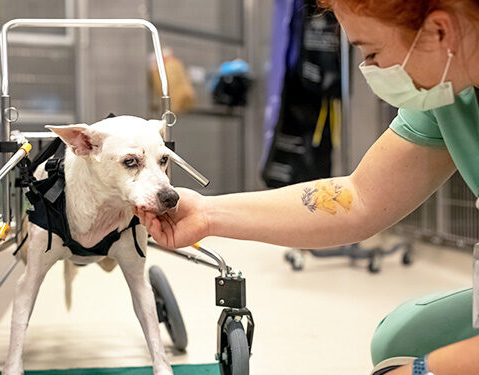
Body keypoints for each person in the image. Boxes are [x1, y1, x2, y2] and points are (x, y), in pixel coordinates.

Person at [135, 0, 479, 374]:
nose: (371, 70)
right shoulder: (446, 92)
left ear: (439, 31)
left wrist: (424, 372)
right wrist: (208, 213)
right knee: (398, 344)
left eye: (372, 52)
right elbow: (359, 199)